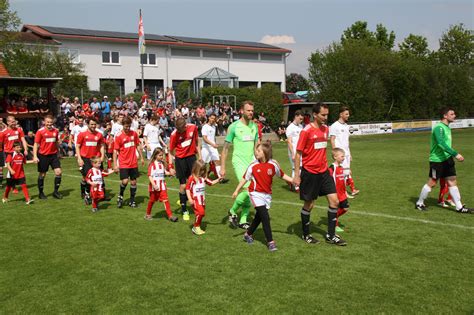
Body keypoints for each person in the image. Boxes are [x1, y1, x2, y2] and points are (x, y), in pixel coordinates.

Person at [293, 103, 347, 246]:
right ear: (315, 114)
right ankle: (306, 234)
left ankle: (331, 235)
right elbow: (298, 154)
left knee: (335, 201)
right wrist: (297, 175)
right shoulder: (306, 131)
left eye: (327, 115)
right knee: (309, 205)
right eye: (323, 115)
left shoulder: (326, 129)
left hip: (324, 172)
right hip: (310, 173)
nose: (325, 117)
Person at [233, 142, 293, 251]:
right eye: (256, 150)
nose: (256, 152)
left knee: (259, 217)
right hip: (255, 193)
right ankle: (270, 242)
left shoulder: (273, 165)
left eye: (259, 150)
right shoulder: (253, 165)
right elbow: (244, 178)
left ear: (265, 153)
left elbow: (282, 175)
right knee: (265, 217)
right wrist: (236, 190)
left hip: (267, 195)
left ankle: (247, 234)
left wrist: (294, 181)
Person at [415, 107, 472, 213]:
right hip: (437, 161)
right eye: (452, 114)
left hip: (447, 160)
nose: (454, 115)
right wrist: (456, 154)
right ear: (445, 116)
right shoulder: (439, 128)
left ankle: (459, 207)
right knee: (432, 182)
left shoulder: (447, 127)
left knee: (452, 181)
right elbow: (441, 143)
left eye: (454, 114)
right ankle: (419, 203)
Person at [220, 101, 259, 229]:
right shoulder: (233, 127)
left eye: (252, 110)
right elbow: (225, 149)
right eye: (248, 110)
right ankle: (232, 211)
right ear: (241, 111)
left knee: (252, 191)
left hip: (251, 161)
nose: (251, 112)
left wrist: (261, 162)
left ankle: (243, 220)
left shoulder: (255, 126)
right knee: (247, 189)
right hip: (239, 162)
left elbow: (256, 147)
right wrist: (223, 167)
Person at [168, 117, 200, 221]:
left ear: (185, 126)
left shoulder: (193, 128)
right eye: (177, 129)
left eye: (181, 129)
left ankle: (184, 199)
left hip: (191, 158)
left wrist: (200, 157)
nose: (179, 131)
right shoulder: (174, 135)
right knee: (183, 184)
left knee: (194, 181)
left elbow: (197, 141)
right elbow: (170, 150)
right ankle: (184, 209)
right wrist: (170, 166)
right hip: (180, 159)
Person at [113, 116, 144, 208]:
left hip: (133, 162)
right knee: (125, 181)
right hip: (124, 162)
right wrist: (115, 164)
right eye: (126, 126)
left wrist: (141, 157)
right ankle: (120, 196)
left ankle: (132, 200)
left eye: (129, 126)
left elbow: (137, 145)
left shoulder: (134, 134)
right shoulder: (118, 136)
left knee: (133, 182)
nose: (127, 128)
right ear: (123, 125)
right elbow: (115, 151)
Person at [329, 106, 359, 197]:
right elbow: (332, 139)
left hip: (346, 153)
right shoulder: (334, 126)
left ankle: (345, 191)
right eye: (346, 114)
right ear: (341, 114)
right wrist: (335, 152)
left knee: (346, 172)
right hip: (339, 154)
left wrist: (349, 154)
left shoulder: (346, 126)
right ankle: (343, 192)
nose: (348, 115)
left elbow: (347, 141)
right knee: (343, 172)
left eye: (348, 114)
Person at [185, 160, 221, 235]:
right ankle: (196, 227)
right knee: (201, 212)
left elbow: (211, 183)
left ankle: (196, 226)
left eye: (203, 170)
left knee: (200, 213)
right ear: (196, 169)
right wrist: (190, 199)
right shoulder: (192, 178)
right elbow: (187, 188)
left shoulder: (203, 178)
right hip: (195, 199)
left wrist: (218, 180)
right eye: (200, 170)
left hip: (202, 200)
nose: (202, 172)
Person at [75, 118, 106, 204]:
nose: (93, 126)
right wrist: (79, 158)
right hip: (86, 159)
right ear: (87, 124)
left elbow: (102, 146)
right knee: (87, 178)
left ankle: (101, 194)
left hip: (96, 159)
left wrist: (102, 156)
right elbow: (77, 146)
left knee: (100, 177)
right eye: (91, 124)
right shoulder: (82, 134)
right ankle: (86, 194)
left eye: (94, 124)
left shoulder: (99, 134)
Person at [33, 115, 63, 200]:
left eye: (51, 122)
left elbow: (56, 142)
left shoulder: (56, 131)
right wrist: (35, 156)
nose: (49, 124)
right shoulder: (40, 131)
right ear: (44, 122)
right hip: (43, 156)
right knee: (42, 174)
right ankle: (41, 193)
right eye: (47, 122)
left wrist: (59, 152)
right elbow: (36, 144)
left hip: (53, 155)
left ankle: (55, 192)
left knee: (58, 172)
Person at [145, 148, 178, 222]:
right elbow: (150, 176)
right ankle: (147, 214)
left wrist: (170, 173)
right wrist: (154, 185)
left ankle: (170, 216)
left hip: (162, 185)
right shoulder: (152, 165)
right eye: (160, 155)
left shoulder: (162, 164)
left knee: (166, 200)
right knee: (152, 200)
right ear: (155, 155)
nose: (162, 157)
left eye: (162, 155)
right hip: (154, 187)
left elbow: (165, 172)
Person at [201, 113, 228, 183]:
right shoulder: (205, 127)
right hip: (206, 148)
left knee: (217, 161)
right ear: (209, 118)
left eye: (214, 118)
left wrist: (214, 145)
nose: (213, 120)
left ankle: (220, 178)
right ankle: (203, 178)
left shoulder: (214, 127)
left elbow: (213, 138)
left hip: (213, 148)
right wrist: (212, 144)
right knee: (204, 164)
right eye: (212, 118)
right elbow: (204, 138)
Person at [328, 148, 350, 233]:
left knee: (345, 208)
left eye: (344, 156)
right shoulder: (332, 167)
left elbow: (342, 179)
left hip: (342, 192)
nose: (343, 158)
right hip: (335, 193)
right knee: (336, 208)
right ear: (335, 157)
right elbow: (329, 178)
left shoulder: (341, 167)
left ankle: (334, 218)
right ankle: (335, 225)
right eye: (342, 156)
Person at [286, 110, 304, 191]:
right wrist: (292, 153)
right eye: (300, 118)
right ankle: (296, 186)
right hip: (293, 151)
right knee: (295, 167)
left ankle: (293, 182)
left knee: (301, 167)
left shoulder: (301, 127)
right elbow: (289, 141)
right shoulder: (290, 128)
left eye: (302, 119)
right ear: (296, 116)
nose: (301, 120)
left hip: (300, 151)